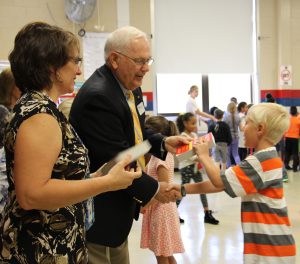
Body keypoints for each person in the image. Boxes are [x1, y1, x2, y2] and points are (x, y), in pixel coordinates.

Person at [0, 22, 142, 264]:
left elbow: (52, 177)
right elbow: (32, 194)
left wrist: (94, 178)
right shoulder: (40, 116)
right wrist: (106, 183)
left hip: (54, 239)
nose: (79, 70)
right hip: (43, 246)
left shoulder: (41, 109)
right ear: (52, 67)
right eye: (75, 61)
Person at [69, 26, 188, 264]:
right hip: (101, 215)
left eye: (148, 60)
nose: (146, 68)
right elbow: (116, 158)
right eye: (139, 61)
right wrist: (155, 189)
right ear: (114, 59)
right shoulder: (99, 97)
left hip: (119, 210)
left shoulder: (130, 89)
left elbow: (136, 136)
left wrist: (163, 142)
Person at [173, 103, 296, 264]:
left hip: (271, 250)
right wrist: (182, 189)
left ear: (260, 129)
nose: (243, 127)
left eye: (247, 122)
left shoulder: (260, 162)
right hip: (269, 247)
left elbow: (218, 180)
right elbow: (222, 184)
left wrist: (204, 156)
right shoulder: (267, 158)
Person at [140, 116, 184, 264]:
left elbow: (163, 188)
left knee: (161, 255)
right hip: (158, 208)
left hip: (161, 210)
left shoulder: (161, 157)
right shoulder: (156, 155)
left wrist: (145, 205)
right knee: (166, 253)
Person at [176, 112, 219, 225]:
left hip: (195, 167)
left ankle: (207, 213)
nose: (195, 126)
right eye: (193, 123)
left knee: (202, 189)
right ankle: (173, 212)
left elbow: (198, 150)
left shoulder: (194, 136)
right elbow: (185, 155)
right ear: (185, 123)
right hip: (186, 168)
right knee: (183, 190)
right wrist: (201, 157)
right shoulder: (183, 137)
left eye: (196, 123)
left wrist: (203, 156)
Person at [208, 109, 232, 173]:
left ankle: (217, 173)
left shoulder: (212, 125)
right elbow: (229, 135)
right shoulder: (225, 125)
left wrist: (210, 145)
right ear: (222, 115)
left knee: (216, 160)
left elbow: (209, 136)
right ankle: (223, 173)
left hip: (215, 144)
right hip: (224, 144)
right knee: (224, 160)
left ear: (214, 116)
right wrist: (228, 143)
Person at [223, 102, 244, 167]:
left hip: (228, 138)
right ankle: (240, 167)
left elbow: (224, 129)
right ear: (235, 108)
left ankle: (229, 168)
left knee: (228, 155)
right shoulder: (238, 117)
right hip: (236, 137)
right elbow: (241, 129)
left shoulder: (225, 117)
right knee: (236, 154)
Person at [284, 106, 300, 172]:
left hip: (287, 138)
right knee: (295, 153)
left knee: (287, 152)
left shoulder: (287, 120)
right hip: (295, 138)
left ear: (290, 112)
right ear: (296, 112)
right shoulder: (298, 120)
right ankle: (295, 168)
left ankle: (286, 165)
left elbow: (284, 129)